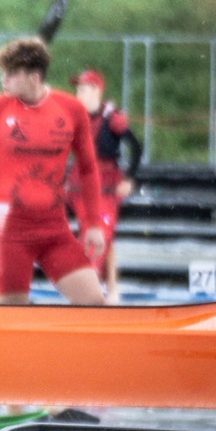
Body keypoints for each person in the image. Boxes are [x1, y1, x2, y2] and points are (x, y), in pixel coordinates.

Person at [0, 38, 106, 305]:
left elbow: (88, 169)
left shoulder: (71, 109)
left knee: (94, 303)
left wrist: (94, 224)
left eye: (11, 73)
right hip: (10, 230)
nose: (4, 79)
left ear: (34, 77)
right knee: (13, 313)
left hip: (54, 227)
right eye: (3, 72)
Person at [68, 68, 143, 294]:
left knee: (101, 232)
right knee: (95, 233)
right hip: (80, 182)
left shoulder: (113, 118)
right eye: (78, 89)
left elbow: (136, 147)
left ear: (96, 91)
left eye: (83, 89)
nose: (78, 93)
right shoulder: (75, 117)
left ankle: (94, 287)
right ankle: (106, 287)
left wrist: (129, 178)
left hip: (106, 183)